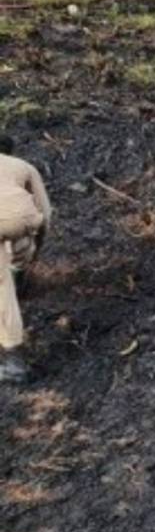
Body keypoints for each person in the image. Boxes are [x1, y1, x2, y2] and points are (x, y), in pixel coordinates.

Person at [0, 136, 51, 384]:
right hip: (23, 219)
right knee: (21, 231)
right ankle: (18, 273)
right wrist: (35, 252)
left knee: (1, 287)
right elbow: (46, 214)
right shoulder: (23, 166)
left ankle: (13, 362)